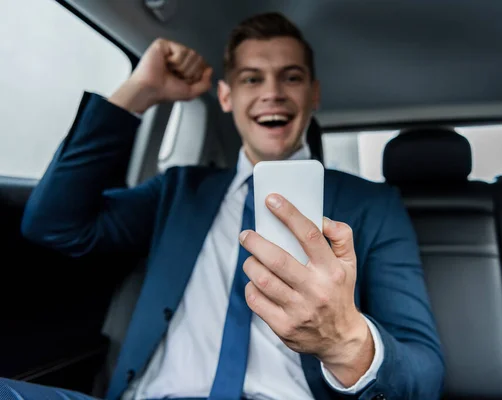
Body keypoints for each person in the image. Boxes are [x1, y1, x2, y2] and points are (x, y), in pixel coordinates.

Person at [4, 12, 444, 400]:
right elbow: (52, 224)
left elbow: (424, 375)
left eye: (291, 77)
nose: (272, 92)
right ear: (227, 97)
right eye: (252, 78)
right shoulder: (179, 189)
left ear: (314, 94)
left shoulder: (373, 205)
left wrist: (346, 342)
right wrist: (140, 90)